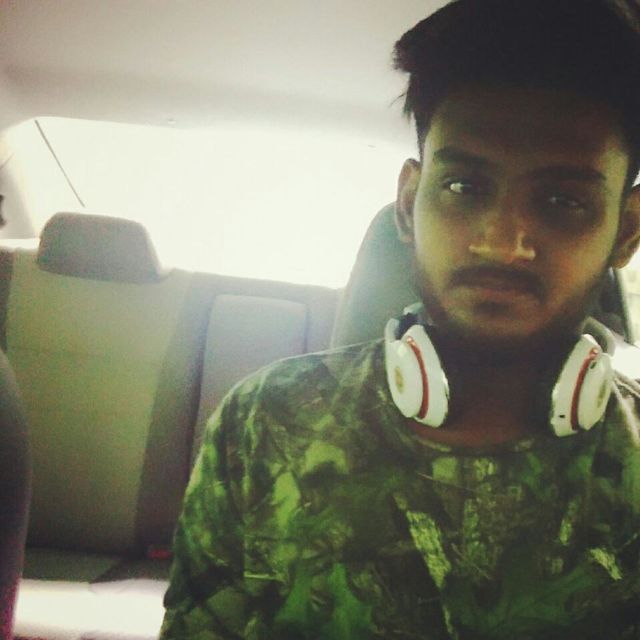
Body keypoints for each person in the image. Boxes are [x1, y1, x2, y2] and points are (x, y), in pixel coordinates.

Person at [160, 0, 640, 637]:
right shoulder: (263, 421)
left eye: (562, 201)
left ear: (626, 230)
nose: (502, 242)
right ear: (410, 202)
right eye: (464, 187)